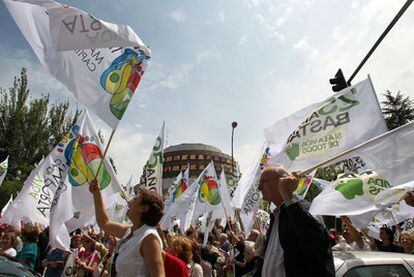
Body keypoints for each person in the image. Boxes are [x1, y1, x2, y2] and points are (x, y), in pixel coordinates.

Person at [257, 165, 335, 277]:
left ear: (283, 181)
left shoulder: (304, 209)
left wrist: (288, 197)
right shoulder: (276, 217)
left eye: (264, 181)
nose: (259, 188)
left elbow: (315, 244)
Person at [89, 179, 165, 277]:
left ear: (143, 208)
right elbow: (104, 223)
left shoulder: (149, 238)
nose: (129, 202)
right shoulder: (130, 231)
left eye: (134, 199)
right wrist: (96, 193)